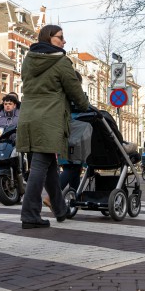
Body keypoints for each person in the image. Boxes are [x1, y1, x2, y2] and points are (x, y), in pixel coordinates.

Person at [17, 24, 89, 229]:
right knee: (40, 166)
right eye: (60, 37)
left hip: (28, 118)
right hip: (49, 120)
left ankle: (59, 209)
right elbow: (74, 90)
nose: (64, 41)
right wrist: (84, 105)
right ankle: (29, 214)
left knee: (48, 167)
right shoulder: (61, 61)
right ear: (49, 38)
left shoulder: (28, 60)